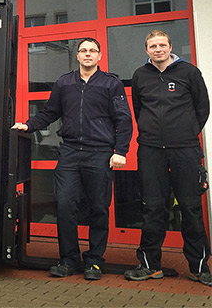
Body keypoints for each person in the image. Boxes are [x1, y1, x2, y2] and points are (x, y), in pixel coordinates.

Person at [13, 37, 133, 280]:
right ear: (77, 56)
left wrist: (120, 151)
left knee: (99, 208)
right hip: (69, 153)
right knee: (65, 206)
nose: (87, 54)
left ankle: (95, 261)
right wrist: (28, 126)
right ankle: (68, 259)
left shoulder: (111, 84)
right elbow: (49, 112)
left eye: (92, 51)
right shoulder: (64, 83)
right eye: (83, 51)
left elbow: (124, 119)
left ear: (99, 56)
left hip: (99, 154)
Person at [124, 30, 212, 287]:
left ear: (170, 47)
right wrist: (152, 132)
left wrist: (184, 132)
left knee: (190, 208)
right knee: (152, 208)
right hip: (151, 150)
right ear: (147, 50)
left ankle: (199, 268)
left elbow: (202, 108)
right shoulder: (141, 75)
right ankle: (150, 266)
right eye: (153, 46)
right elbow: (139, 108)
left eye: (162, 45)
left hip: (185, 149)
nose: (158, 49)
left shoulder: (189, 73)